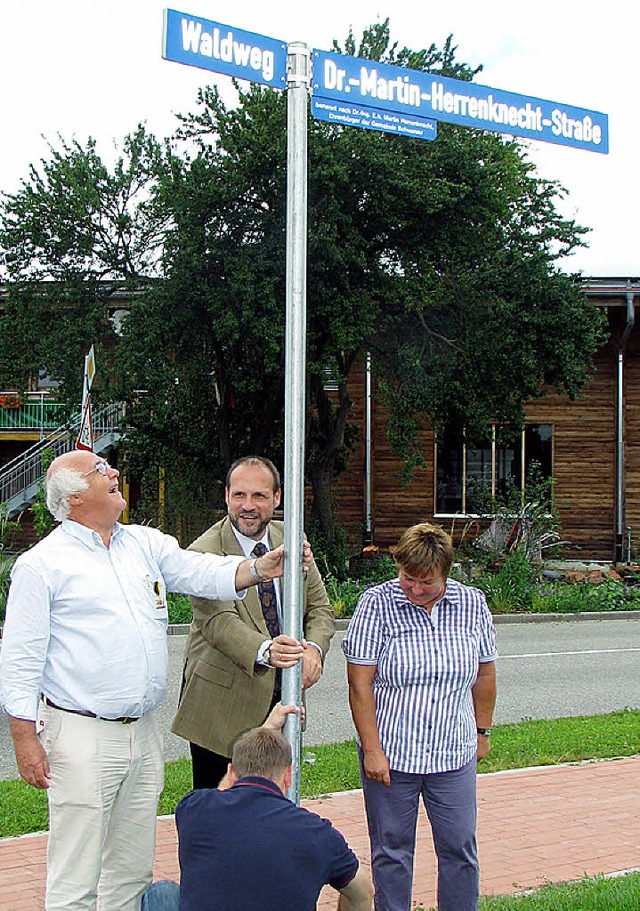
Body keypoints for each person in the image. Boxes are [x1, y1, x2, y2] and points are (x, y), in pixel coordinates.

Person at [0, 449, 302, 911]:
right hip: (81, 736)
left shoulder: (141, 543)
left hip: (142, 733)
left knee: (131, 871)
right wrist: (24, 738)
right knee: (75, 875)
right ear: (74, 498)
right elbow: (19, 660)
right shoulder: (42, 566)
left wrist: (260, 568)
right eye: (100, 470)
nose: (114, 471)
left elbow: (199, 571)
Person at [342, 522, 497, 911]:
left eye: (426, 582)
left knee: (460, 848)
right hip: (394, 757)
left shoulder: (472, 604)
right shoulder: (376, 604)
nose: (414, 589)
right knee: (391, 852)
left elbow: (485, 673)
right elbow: (360, 686)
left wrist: (482, 732)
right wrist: (372, 750)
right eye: (408, 578)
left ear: (446, 572)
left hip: (453, 753)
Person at [172, 455, 335, 788]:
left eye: (259, 496)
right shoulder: (204, 553)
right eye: (239, 496)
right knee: (217, 812)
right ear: (226, 496)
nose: (248, 506)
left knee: (274, 804)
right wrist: (268, 651)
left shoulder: (290, 537)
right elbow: (219, 623)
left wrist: (314, 650)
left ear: (276, 498)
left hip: (282, 700)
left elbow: (319, 608)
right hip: (220, 713)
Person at [142, 705, 374, 911]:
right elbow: (363, 892)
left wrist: (266, 727)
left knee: (162, 893)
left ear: (232, 772)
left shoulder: (193, 809)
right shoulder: (318, 834)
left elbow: (222, 792)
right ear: (288, 776)